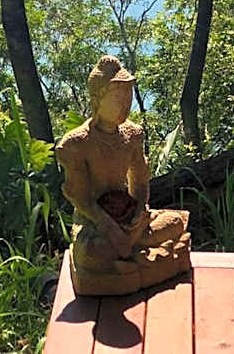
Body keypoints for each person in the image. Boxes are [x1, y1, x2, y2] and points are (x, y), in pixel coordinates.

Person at [56, 55, 189, 290]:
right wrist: (108, 226)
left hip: (129, 217)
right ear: (97, 99)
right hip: (94, 221)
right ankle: (145, 253)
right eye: (118, 96)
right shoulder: (75, 144)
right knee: (92, 252)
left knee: (176, 222)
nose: (126, 103)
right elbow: (81, 198)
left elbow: (139, 182)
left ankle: (131, 255)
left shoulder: (133, 134)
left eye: (128, 95)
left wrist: (138, 211)